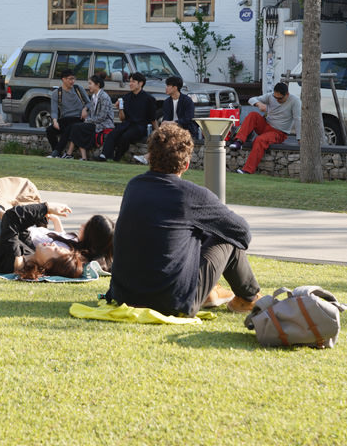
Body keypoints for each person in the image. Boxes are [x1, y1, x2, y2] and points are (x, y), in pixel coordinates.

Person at [106, 123, 261, 317]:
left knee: (199, 230)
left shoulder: (134, 186)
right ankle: (249, 298)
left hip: (125, 296)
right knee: (227, 235)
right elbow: (242, 232)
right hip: (173, 301)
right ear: (186, 164)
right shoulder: (192, 196)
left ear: (150, 157)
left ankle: (211, 293)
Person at [230, 82, 300, 174]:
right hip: (266, 125)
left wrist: (299, 138)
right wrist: (259, 104)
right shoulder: (270, 96)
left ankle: (247, 170)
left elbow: (298, 119)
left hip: (279, 132)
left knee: (260, 140)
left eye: (280, 98)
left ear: (287, 94)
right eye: (275, 97)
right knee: (253, 115)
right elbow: (251, 99)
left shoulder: (295, 101)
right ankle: (239, 141)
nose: (277, 100)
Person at [98, 72, 157, 162]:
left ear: (140, 83)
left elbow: (153, 118)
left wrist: (157, 131)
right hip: (127, 123)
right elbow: (122, 119)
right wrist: (120, 109)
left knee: (125, 136)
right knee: (113, 134)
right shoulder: (126, 97)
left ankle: (117, 158)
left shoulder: (149, 99)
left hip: (140, 126)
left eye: (133, 82)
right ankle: (104, 155)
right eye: (130, 81)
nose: (130, 84)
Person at [65, 74, 115, 160]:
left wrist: (88, 121)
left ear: (97, 84)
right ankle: (79, 156)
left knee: (77, 127)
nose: (89, 86)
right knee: (76, 127)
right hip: (95, 123)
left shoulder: (104, 97)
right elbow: (92, 113)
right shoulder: (94, 96)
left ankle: (71, 154)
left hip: (103, 124)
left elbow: (102, 117)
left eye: (90, 83)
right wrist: (88, 120)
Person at [46, 69, 88, 158]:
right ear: (63, 79)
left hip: (78, 118)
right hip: (65, 118)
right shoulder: (56, 93)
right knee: (50, 130)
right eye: (70, 79)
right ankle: (57, 153)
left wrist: (85, 109)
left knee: (69, 129)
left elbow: (89, 102)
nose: (72, 81)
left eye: (73, 79)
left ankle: (56, 152)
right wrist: (55, 121)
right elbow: (54, 110)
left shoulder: (78, 89)